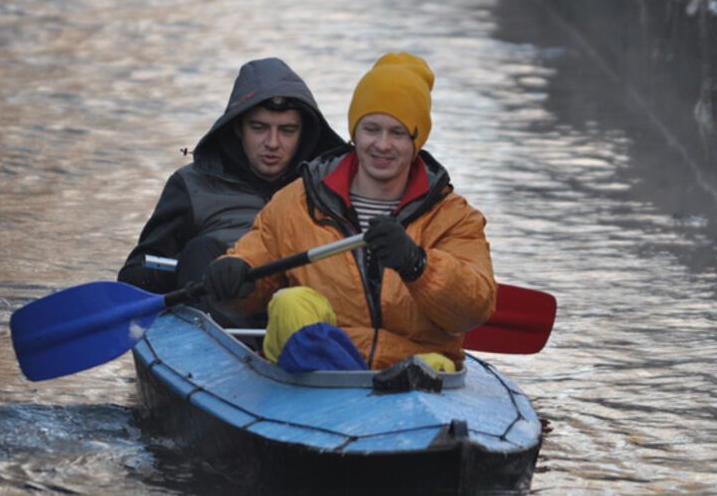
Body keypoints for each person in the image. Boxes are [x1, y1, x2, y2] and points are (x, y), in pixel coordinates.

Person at [202, 52, 497, 371]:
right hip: (317, 363)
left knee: (436, 365)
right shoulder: (296, 201)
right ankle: (333, 377)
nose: (382, 145)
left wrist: (418, 265)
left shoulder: (454, 216)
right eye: (371, 129)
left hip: (413, 367)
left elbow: (473, 309)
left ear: (417, 140)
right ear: (354, 133)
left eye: (397, 133)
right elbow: (256, 259)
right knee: (291, 302)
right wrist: (235, 271)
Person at [117, 58, 344, 316]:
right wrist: (198, 270)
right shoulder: (190, 186)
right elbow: (135, 276)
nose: (272, 143)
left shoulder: (329, 189)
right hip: (222, 325)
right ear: (238, 127)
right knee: (201, 250)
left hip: (305, 316)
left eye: (287, 131)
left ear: (304, 134)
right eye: (259, 128)